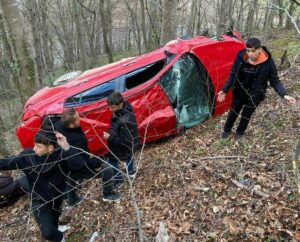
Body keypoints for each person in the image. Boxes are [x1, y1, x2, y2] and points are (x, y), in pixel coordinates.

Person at [0, 130, 77, 242]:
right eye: (34, 145)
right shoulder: (28, 157)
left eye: (38, 146)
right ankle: (60, 237)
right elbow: (7, 162)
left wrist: (67, 147)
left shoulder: (61, 155)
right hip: (39, 199)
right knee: (47, 233)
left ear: (50, 148)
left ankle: (56, 230)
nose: (34, 148)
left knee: (54, 219)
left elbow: (78, 165)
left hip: (57, 197)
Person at [217, 38, 296, 140]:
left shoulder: (268, 63)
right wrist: (224, 89)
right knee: (233, 112)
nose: (250, 54)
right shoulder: (240, 57)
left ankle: (240, 132)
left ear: (259, 49)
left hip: (256, 94)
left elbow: (275, 81)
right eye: (248, 50)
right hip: (240, 91)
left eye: (253, 51)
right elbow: (233, 73)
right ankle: (226, 130)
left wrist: (284, 94)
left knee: (246, 115)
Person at [54, 108, 122, 203]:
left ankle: (72, 200)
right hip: (77, 165)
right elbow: (84, 162)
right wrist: (98, 162)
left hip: (65, 164)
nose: (80, 119)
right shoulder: (76, 140)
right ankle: (108, 194)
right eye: (77, 119)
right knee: (107, 169)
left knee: (70, 177)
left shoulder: (58, 125)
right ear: (71, 124)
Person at [104, 92, 139, 187]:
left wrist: (109, 137)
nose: (110, 109)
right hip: (131, 142)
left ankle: (119, 180)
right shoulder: (126, 107)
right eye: (109, 107)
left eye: (113, 107)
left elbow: (122, 141)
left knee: (112, 161)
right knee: (129, 154)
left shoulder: (124, 121)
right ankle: (131, 171)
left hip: (122, 145)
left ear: (120, 104)